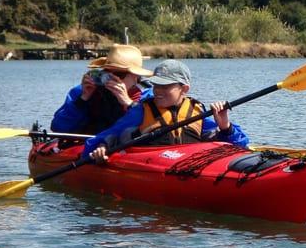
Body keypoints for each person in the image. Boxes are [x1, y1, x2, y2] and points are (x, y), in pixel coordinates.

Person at [85, 59, 249, 163]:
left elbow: (240, 144)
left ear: (184, 88)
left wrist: (225, 126)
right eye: (156, 85)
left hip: (191, 164)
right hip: (152, 165)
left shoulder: (196, 110)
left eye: (165, 86)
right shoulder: (141, 111)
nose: (158, 91)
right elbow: (103, 138)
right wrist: (100, 148)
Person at [51, 44, 153, 134]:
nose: (111, 78)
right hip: (88, 146)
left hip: (126, 148)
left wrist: (128, 103)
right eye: (107, 72)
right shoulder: (84, 91)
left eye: (119, 74)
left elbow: (152, 127)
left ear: (136, 76)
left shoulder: (149, 96)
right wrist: (82, 99)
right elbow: (58, 127)